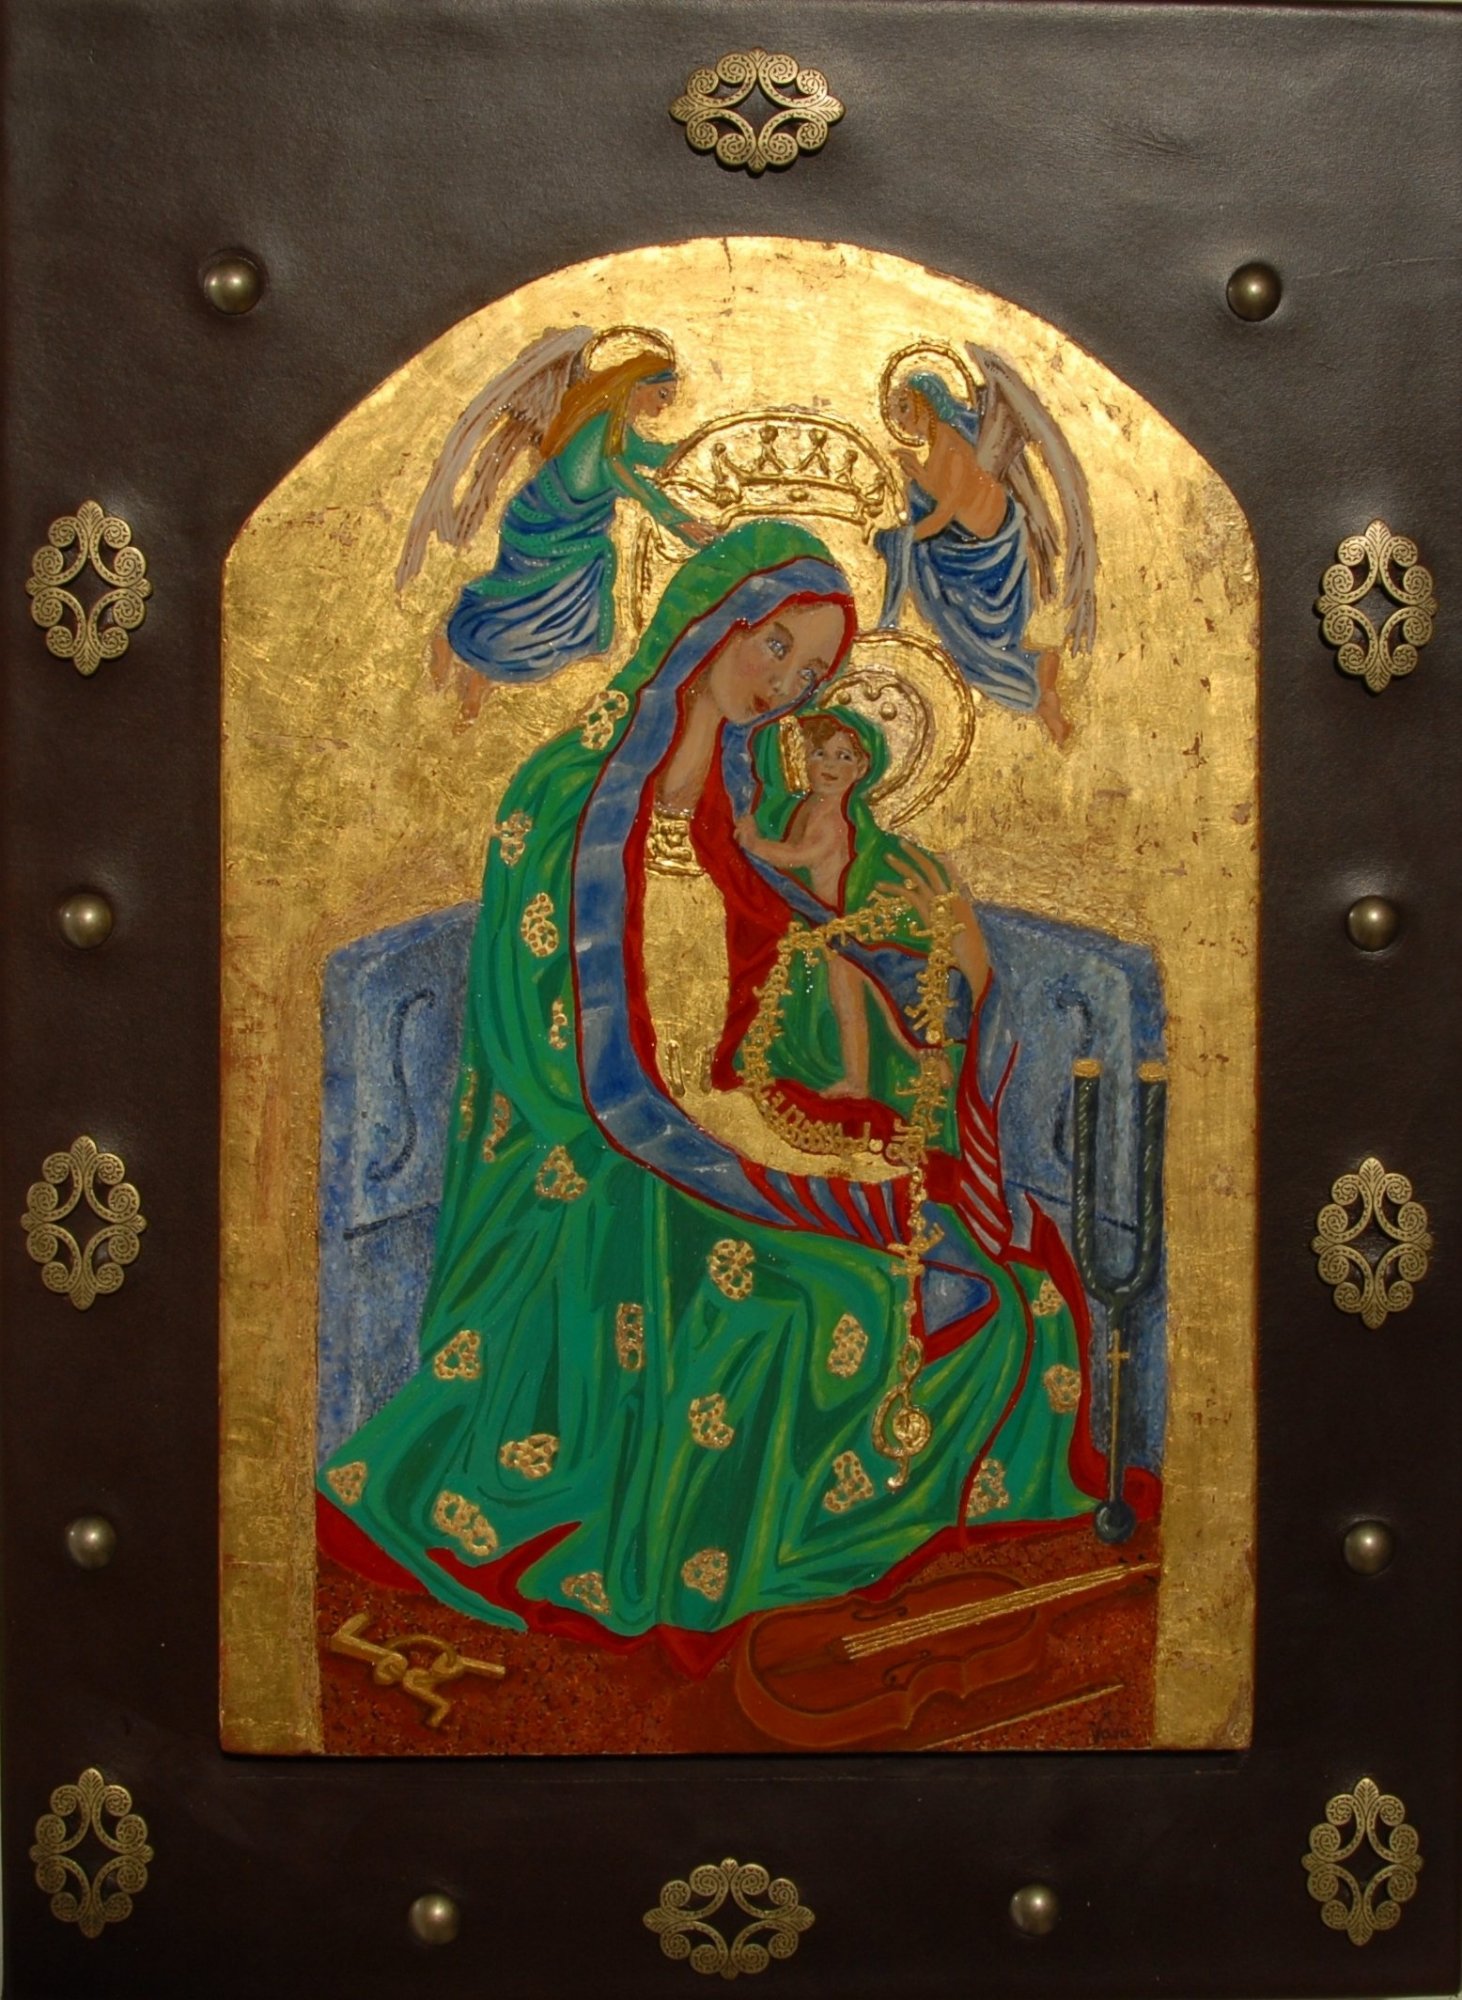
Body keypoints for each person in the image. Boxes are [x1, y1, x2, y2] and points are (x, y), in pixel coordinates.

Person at [318, 520, 1101, 1668]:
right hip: (599, 1146)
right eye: (776, 646)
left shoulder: (742, 810)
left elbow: (789, 968)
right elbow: (535, 1022)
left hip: (732, 1106)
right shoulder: (570, 792)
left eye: (811, 674)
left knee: (998, 1259)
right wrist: (678, 1127)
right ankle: (715, 1539)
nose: (784, 686)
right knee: (823, 1292)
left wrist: (919, 984)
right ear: (710, 622)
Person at [429, 346, 715, 717]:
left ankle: (481, 670)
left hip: (571, 533)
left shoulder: (617, 430)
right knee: (525, 602)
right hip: (547, 529)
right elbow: (627, 480)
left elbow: (653, 455)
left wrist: (700, 446)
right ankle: (462, 645)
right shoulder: (602, 430)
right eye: (662, 395)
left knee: (538, 607)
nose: (664, 406)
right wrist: (679, 521)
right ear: (638, 385)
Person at [877, 373, 1071, 744]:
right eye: (894, 413)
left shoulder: (950, 446)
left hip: (988, 555)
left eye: (902, 408)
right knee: (957, 628)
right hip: (971, 543)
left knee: (966, 641)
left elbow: (944, 513)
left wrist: (900, 539)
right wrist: (919, 474)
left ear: (923, 403)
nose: (899, 420)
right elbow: (954, 494)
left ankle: (1034, 682)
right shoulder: (939, 445)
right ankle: (1036, 682)